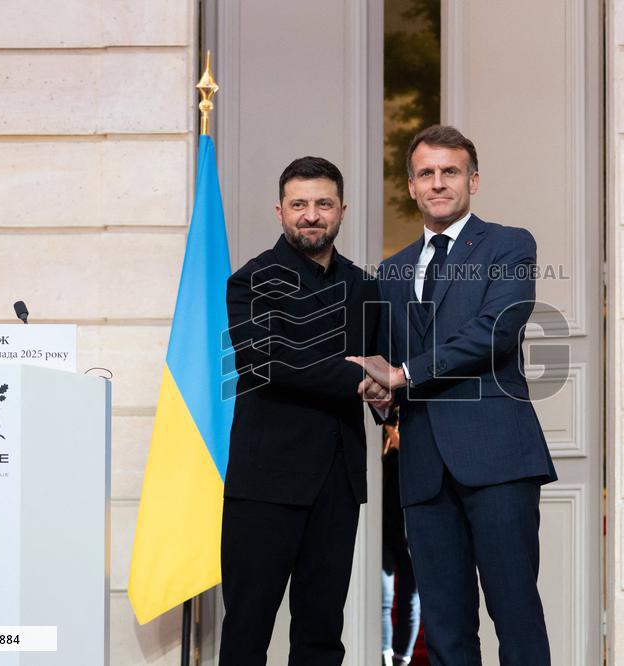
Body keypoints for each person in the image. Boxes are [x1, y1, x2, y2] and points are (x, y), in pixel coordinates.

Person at [347, 125, 556, 665]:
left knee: (515, 614)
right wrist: (380, 396)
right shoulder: (391, 272)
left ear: (473, 180)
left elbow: (495, 332)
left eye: (450, 171)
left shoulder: (509, 244)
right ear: (412, 186)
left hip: (498, 460)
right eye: (426, 173)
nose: (438, 183)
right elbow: (392, 372)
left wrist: (404, 374)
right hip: (422, 470)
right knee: (445, 625)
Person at [220, 156, 389, 666]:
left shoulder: (364, 287)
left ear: (342, 211)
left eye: (323, 204)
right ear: (280, 211)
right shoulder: (250, 281)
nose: (311, 215)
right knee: (249, 627)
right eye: (299, 204)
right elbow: (273, 361)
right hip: (266, 483)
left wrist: (385, 392)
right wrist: (360, 378)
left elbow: (380, 365)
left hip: (337, 482)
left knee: (321, 633)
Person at [380, 415, 421, 666]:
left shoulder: (416, 436)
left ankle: (402, 659)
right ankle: (385, 658)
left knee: (411, 596)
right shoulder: (381, 439)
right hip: (382, 528)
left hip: (411, 529)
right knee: (384, 598)